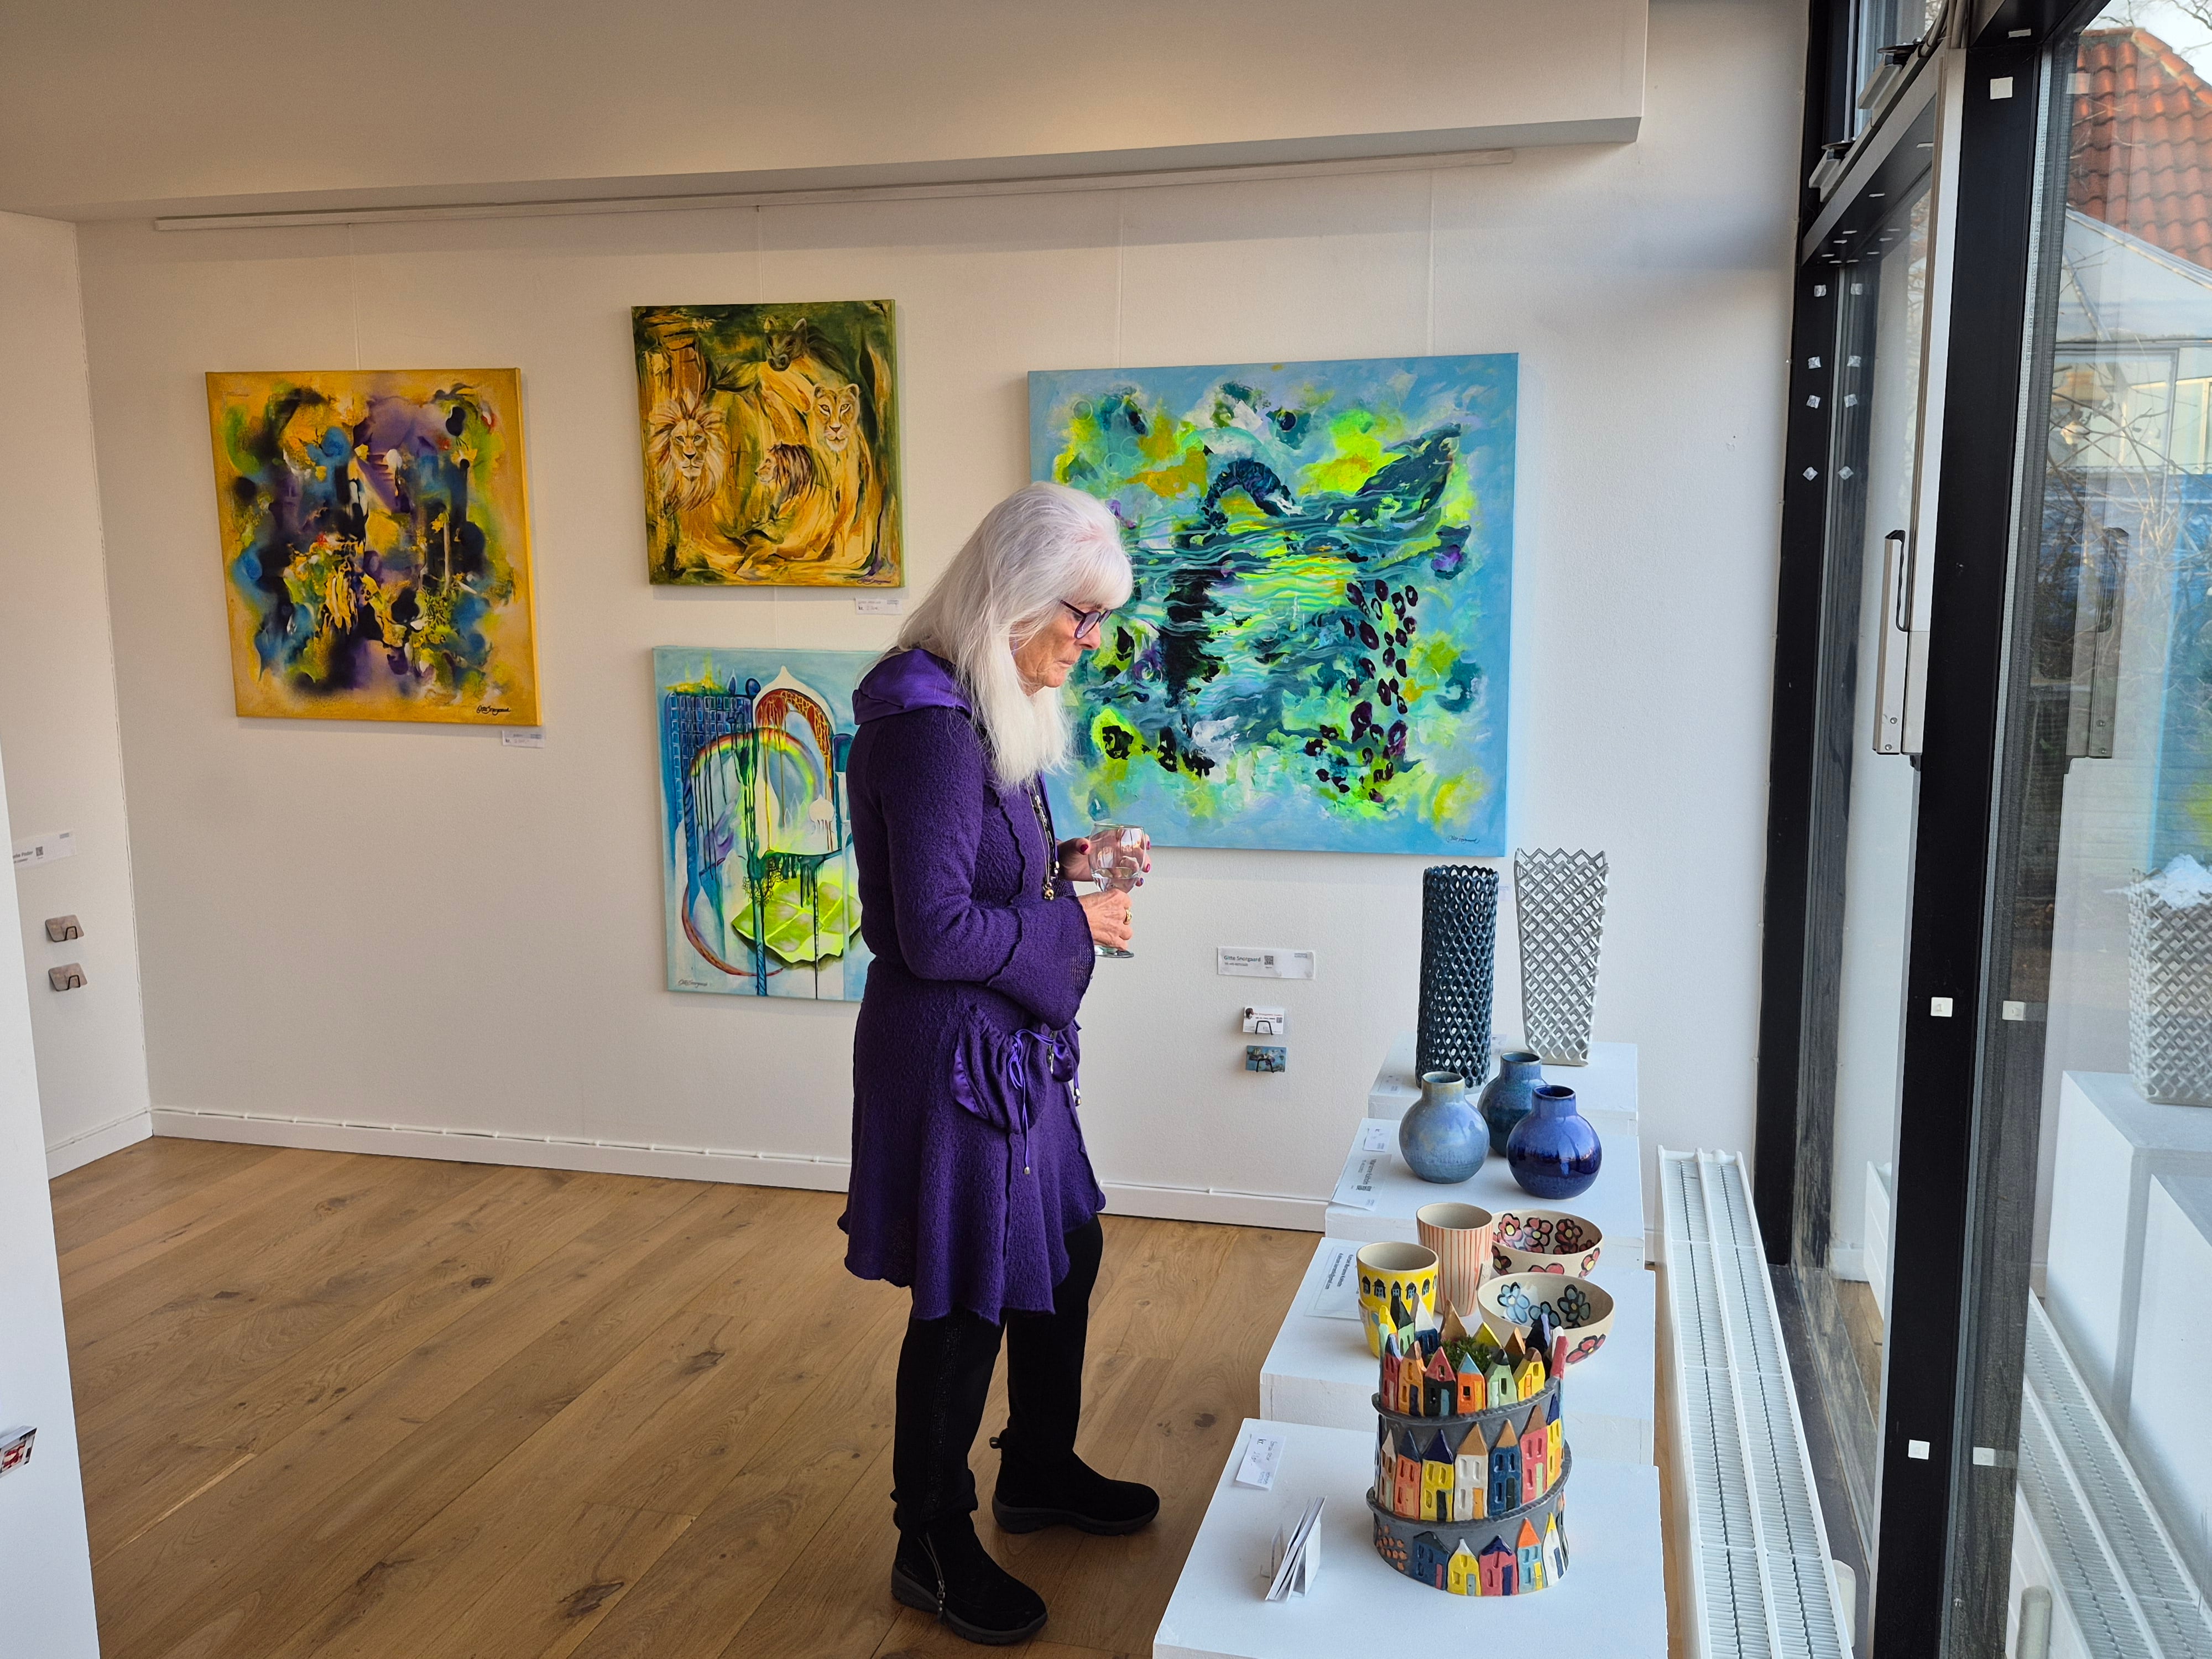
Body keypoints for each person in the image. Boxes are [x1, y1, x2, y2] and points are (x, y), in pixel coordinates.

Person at [841, 481, 1155, 1646]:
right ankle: (927, 1544)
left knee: (1068, 1246)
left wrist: (1065, 868)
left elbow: (976, 876)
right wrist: (1075, 925)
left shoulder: (981, 705)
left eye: (1100, 618)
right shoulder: (929, 726)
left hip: (1004, 1049)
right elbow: (928, 933)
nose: (1090, 641)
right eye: (1080, 615)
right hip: (952, 1060)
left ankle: (1036, 1468)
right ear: (1015, 598)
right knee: (967, 1297)